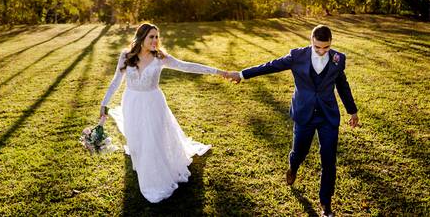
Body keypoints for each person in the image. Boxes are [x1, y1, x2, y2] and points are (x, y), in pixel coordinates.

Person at [225, 24, 359, 217]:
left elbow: (342, 85)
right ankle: (293, 167)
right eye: (318, 47)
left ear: (331, 44)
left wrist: (352, 111)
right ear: (311, 41)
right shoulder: (297, 56)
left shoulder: (339, 59)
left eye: (326, 48)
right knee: (299, 151)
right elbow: (270, 66)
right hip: (304, 113)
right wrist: (241, 74)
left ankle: (325, 204)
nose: (322, 52)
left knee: (329, 160)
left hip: (327, 115)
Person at [98, 22, 225, 203]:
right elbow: (116, 81)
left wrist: (218, 72)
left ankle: (154, 174)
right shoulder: (126, 56)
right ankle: (141, 160)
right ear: (141, 38)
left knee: (153, 137)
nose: (155, 40)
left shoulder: (161, 57)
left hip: (153, 102)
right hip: (131, 102)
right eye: (151, 37)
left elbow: (187, 66)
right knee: (136, 137)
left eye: (157, 37)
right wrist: (104, 103)